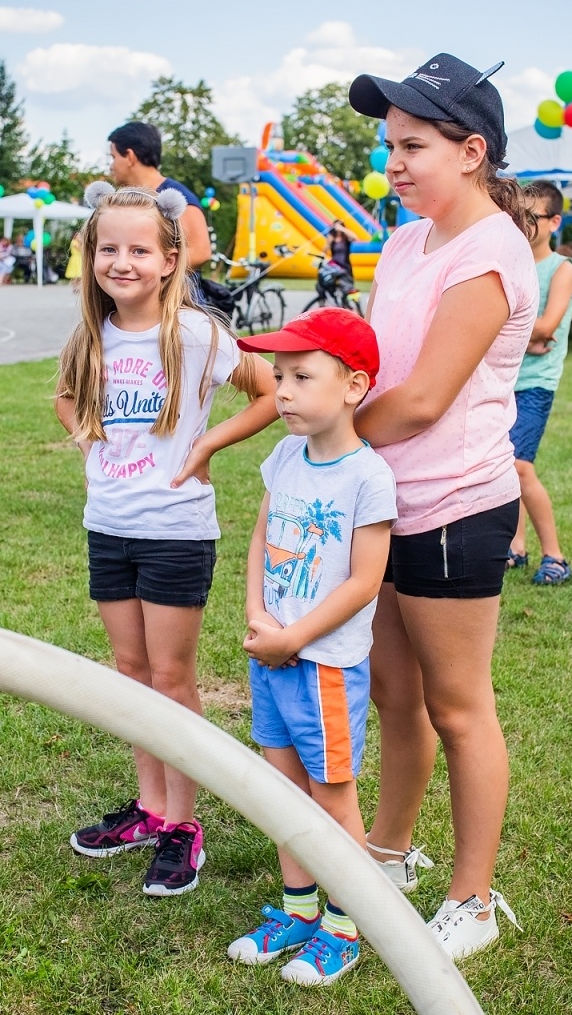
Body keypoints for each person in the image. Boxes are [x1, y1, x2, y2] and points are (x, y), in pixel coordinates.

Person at [347, 52, 535, 959]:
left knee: (458, 707)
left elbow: (422, 400)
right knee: (394, 694)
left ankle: (474, 899)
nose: (395, 162)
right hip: (388, 497)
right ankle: (388, 850)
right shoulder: (403, 241)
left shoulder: (493, 249)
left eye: (413, 145)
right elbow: (380, 369)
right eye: (390, 145)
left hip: (457, 507)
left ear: (472, 151)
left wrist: (329, 432)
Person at [56, 183, 277, 897]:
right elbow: (65, 396)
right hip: (109, 528)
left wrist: (208, 441)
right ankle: (149, 811)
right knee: (130, 672)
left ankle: (184, 826)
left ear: (168, 258)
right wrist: (84, 437)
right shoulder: (91, 336)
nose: (122, 262)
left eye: (138, 249)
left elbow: (270, 391)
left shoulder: (195, 333)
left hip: (175, 533)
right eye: (108, 248)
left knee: (171, 679)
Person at [223, 308, 395, 987]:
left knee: (330, 795)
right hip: (270, 652)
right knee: (281, 788)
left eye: (301, 376)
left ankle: (349, 922)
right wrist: (258, 615)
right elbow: (263, 538)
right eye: (278, 376)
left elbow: (365, 579)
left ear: (353, 386)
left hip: (322, 664)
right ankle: (297, 909)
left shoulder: (367, 477)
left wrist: (293, 637)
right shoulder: (285, 453)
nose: (282, 392)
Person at [507, 182, 572, 584]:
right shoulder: (512, 265)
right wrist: (522, 335)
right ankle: (516, 547)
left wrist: (511, 330)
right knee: (502, 464)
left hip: (536, 384)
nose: (525, 224)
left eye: (534, 217)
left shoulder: (561, 269)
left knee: (519, 466)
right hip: (504, 379)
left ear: (554, 222)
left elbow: (548, 326)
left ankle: (555, 556)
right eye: (520, 216)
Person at [108, 121, 213, 271]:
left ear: (130, 157)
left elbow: (201, 252)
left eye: (113, 157)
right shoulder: (128, 199)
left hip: (175, 294)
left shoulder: (178, 198)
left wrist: (149, 269)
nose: (111, 166)